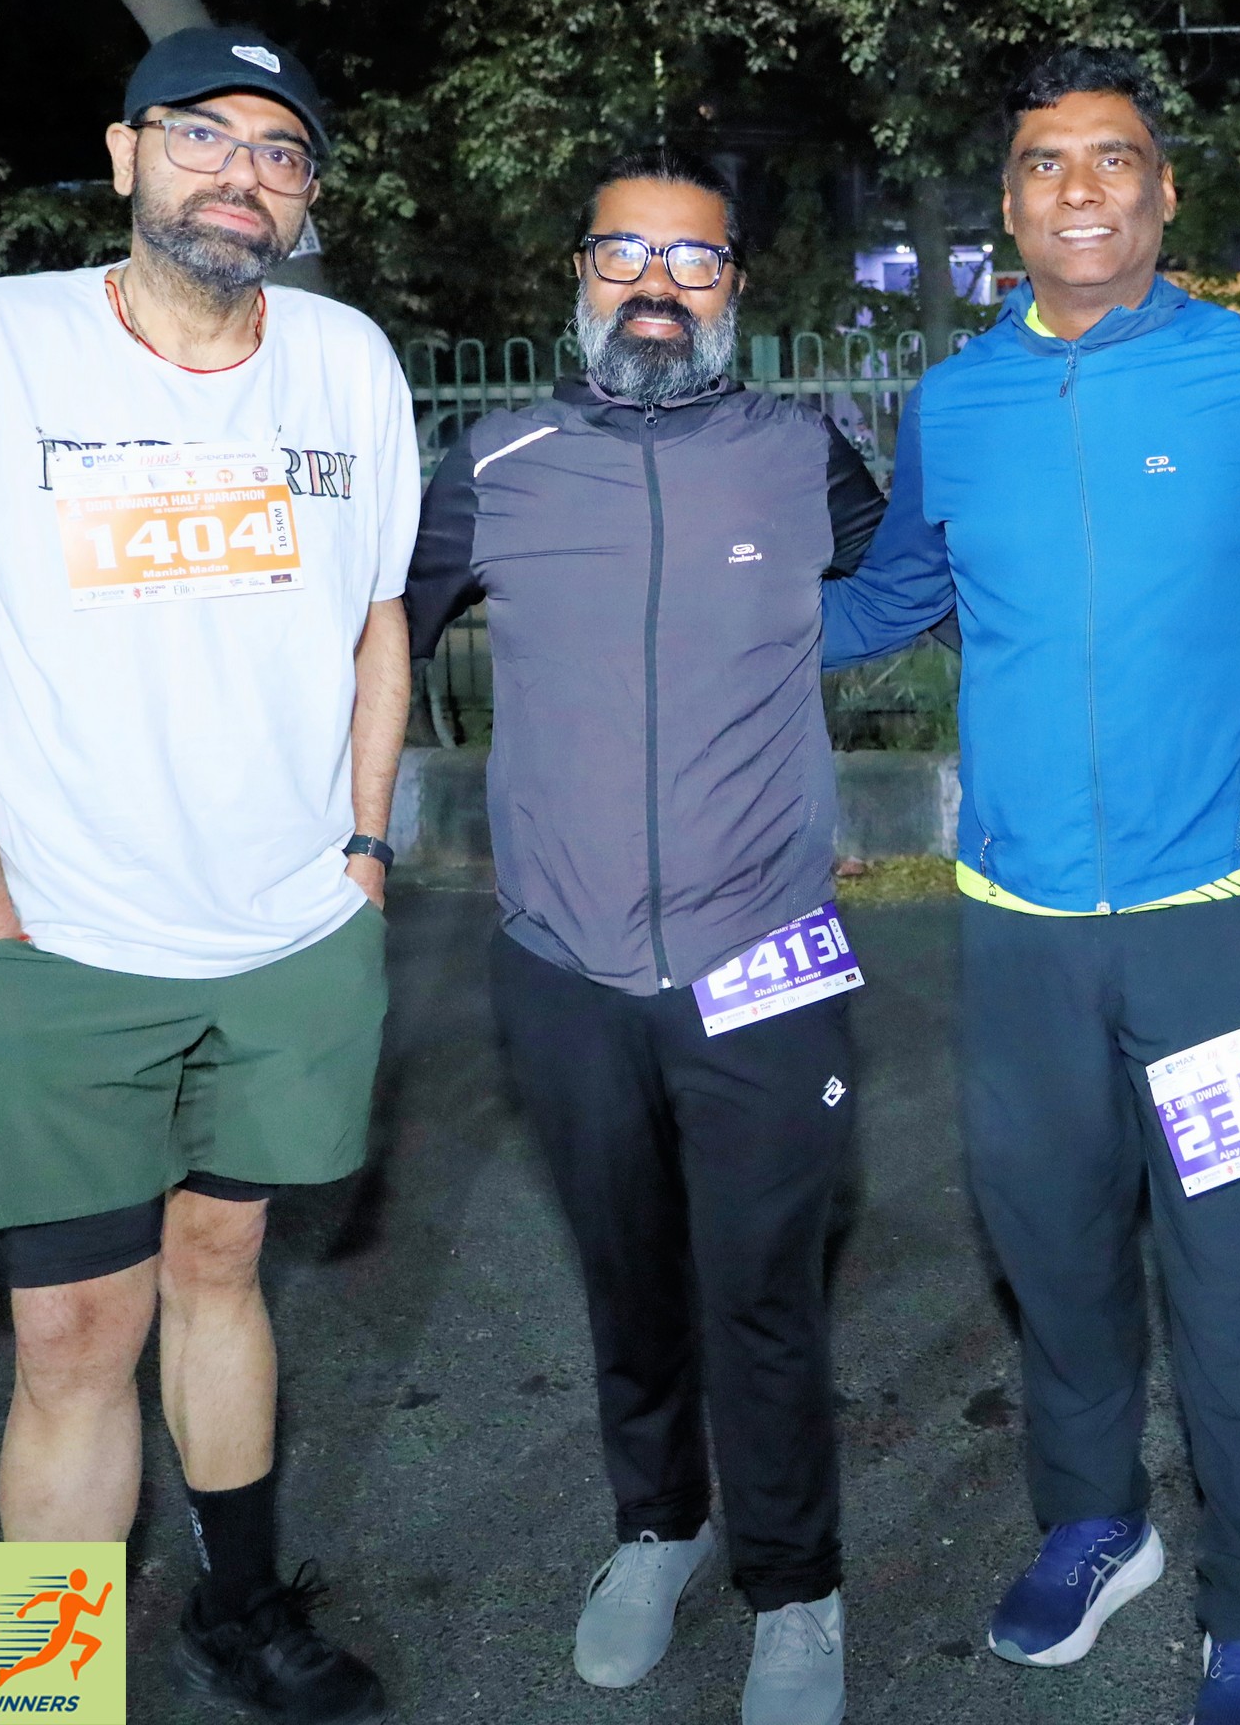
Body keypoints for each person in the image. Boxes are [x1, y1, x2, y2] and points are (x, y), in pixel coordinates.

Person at [0, 26, 415, 1725]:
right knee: (74, 1338)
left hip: (295, 941)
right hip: (65, 945)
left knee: (224, 1271)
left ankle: (240, 1612)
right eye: (204, 135)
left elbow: (380, 623)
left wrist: (366, 852)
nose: (244, 173)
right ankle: (40, 1682)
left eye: (281, 152)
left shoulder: (346, 361)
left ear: (307, 198)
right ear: (125, 154)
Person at [825, 45, 1240, 1725]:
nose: (1080, 189)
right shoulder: (954, 404)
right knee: (1052, 1252)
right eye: (1046, 163)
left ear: (1164, 192)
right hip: (1020, 932)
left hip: (1223, 924)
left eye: (1112, 158)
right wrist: (687, 612)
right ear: (1007, 206)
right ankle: (1094, 1522)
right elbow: (885, 599)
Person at [405, 152, 881, 1725]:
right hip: (564, 965)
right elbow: (362, 644)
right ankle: (659, 1528)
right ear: (580, 274)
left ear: (737, 286)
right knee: (626, 1276)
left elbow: (927, 599)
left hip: (767, 956)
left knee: (764, 1292)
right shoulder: (496, 459)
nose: (658, 288)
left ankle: (795, 1589)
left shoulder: (805, 455)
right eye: (626, 256)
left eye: (693, 261)